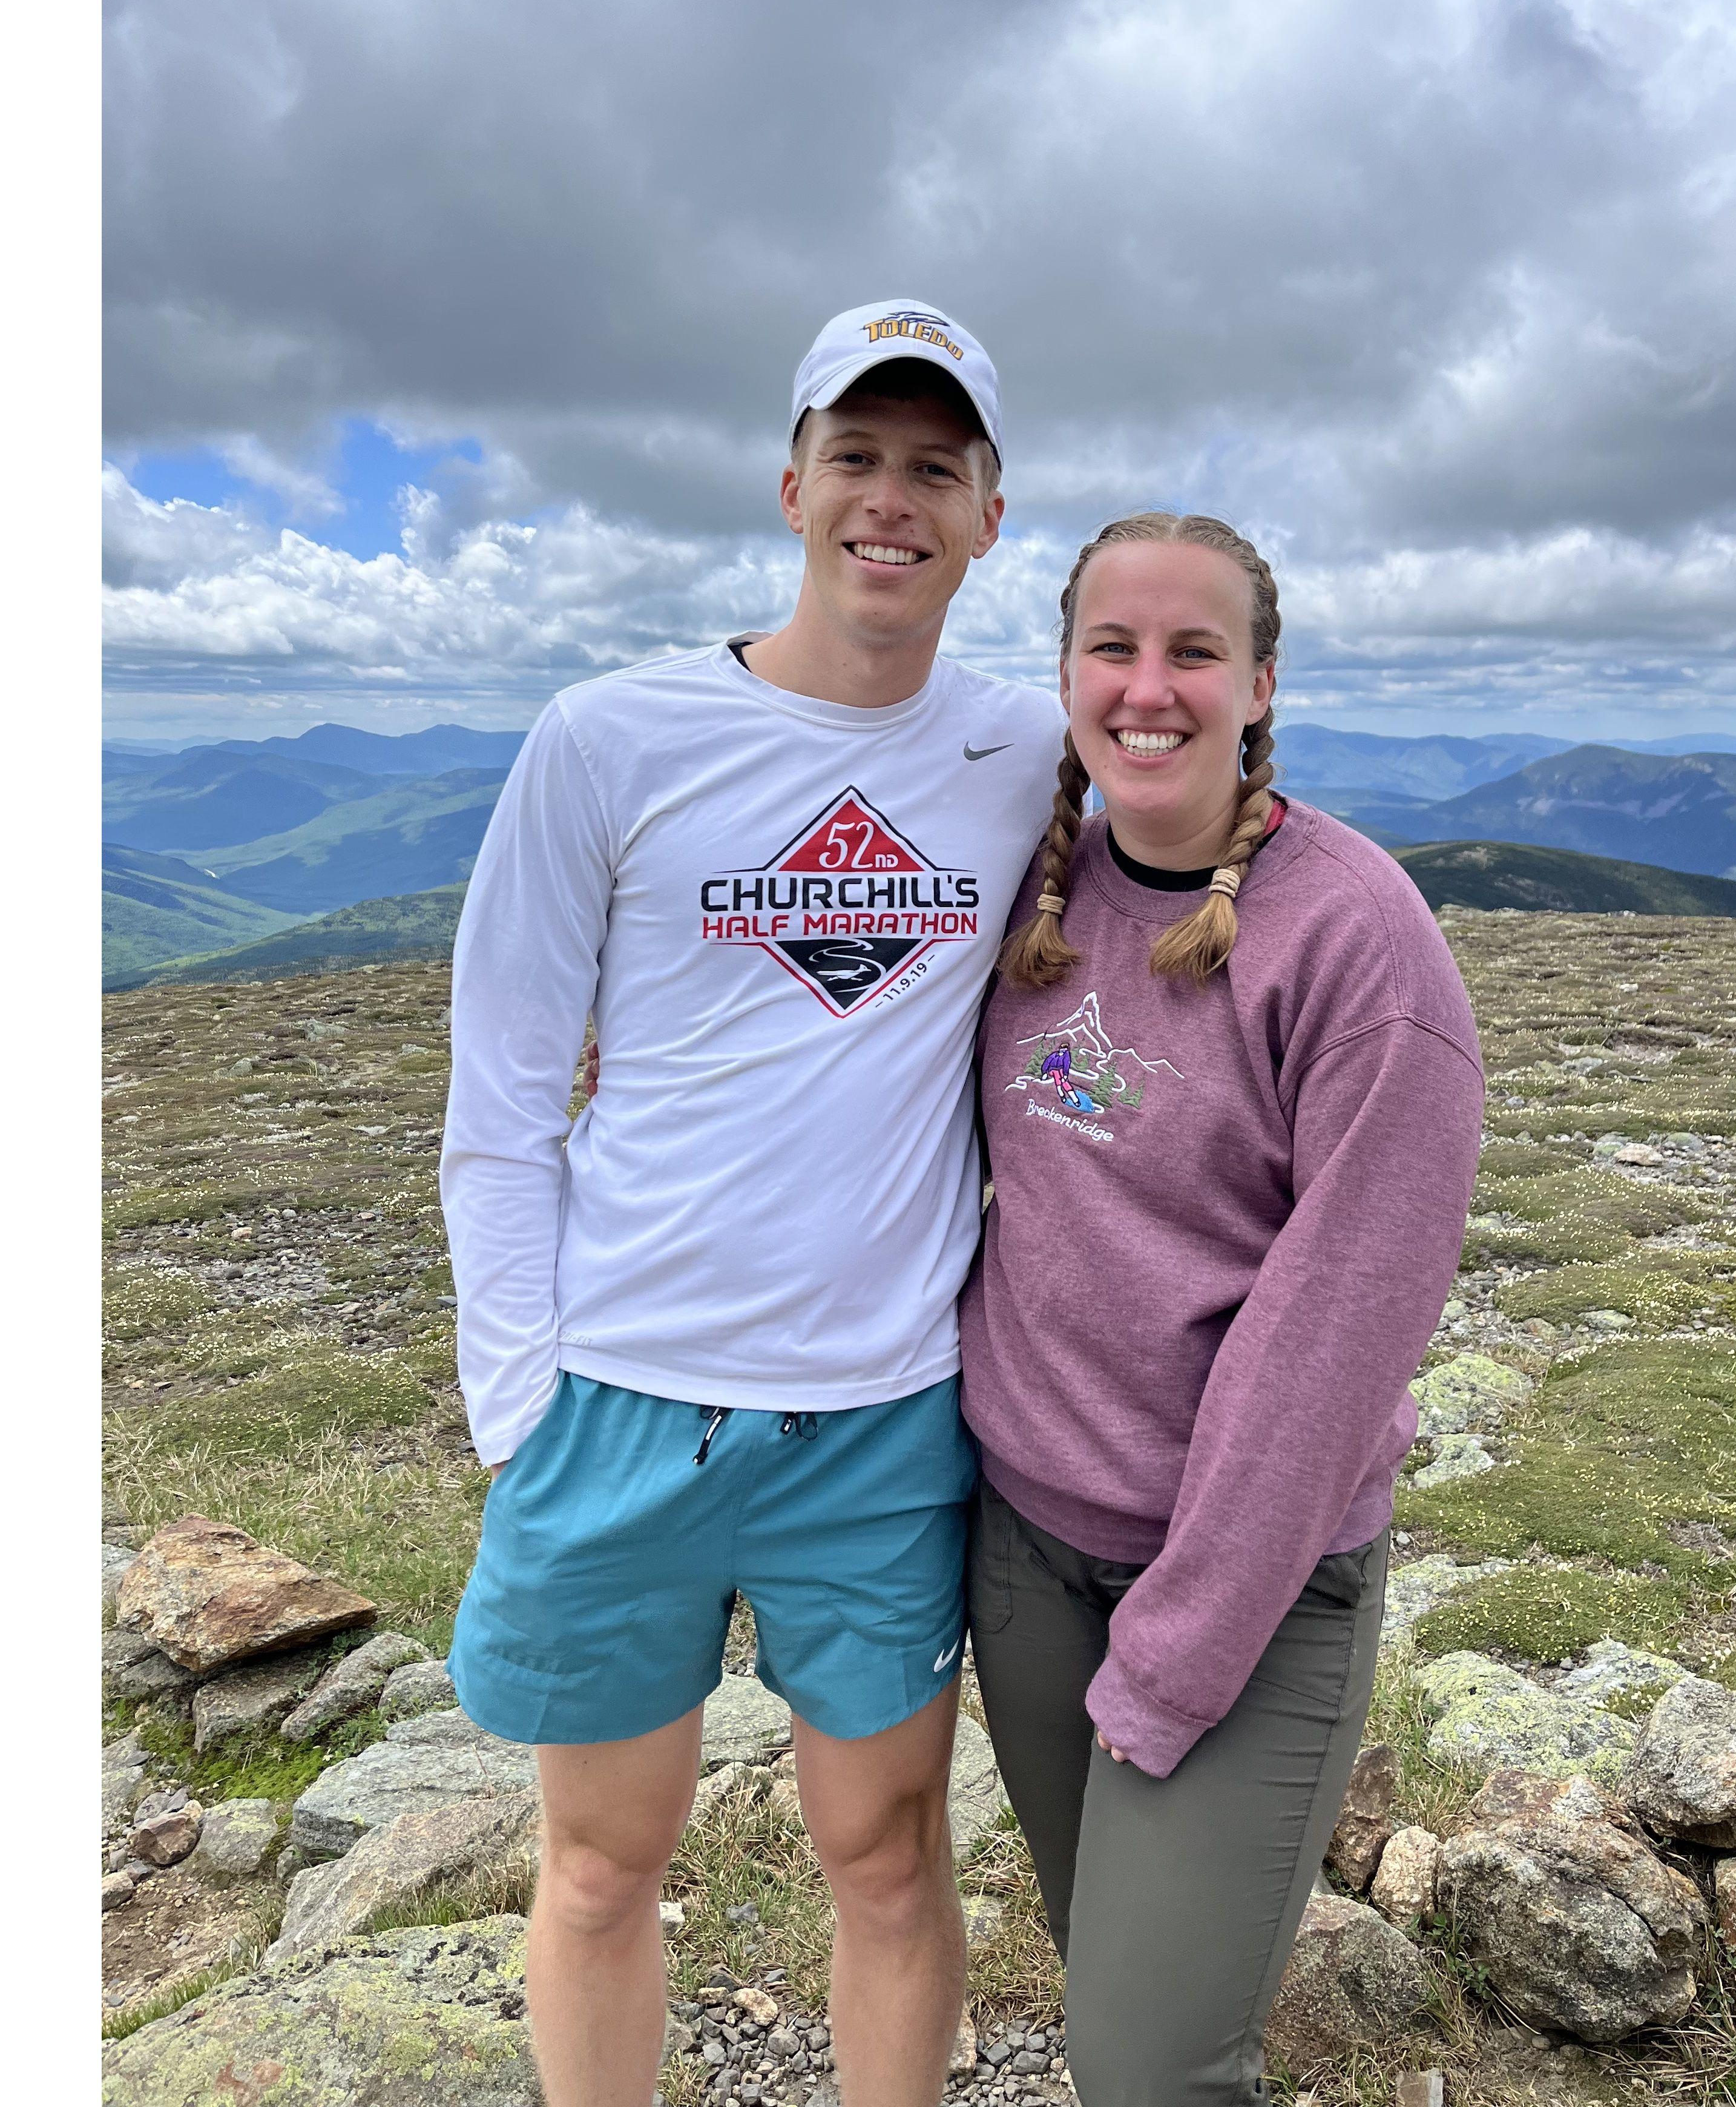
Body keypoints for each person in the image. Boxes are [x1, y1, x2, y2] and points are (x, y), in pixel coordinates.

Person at [439, 300, 1066, 2107]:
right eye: (857, 457)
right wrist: (520, 1405)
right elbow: (498, 1100)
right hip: (619, 1401)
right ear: (793, 483)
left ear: (988, 516)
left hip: (882, 1418)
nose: (892, 498)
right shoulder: (608, 738)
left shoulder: (1025, 753)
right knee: (599, 1864)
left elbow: (1200, 809)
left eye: (933, 467)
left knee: (884, 1859)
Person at [959, 512, 1485, 2106]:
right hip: (1027, 1554)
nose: (1150, 686)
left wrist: (1176, 1656)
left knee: (1145, 2067)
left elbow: (1337, 1340)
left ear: (1260, 683)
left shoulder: (1357, 941)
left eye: (1194, 650)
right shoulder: (1019, 892)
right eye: (1112, 648)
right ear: (1064, 675)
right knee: (1096, 1959)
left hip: (1252, 1591)